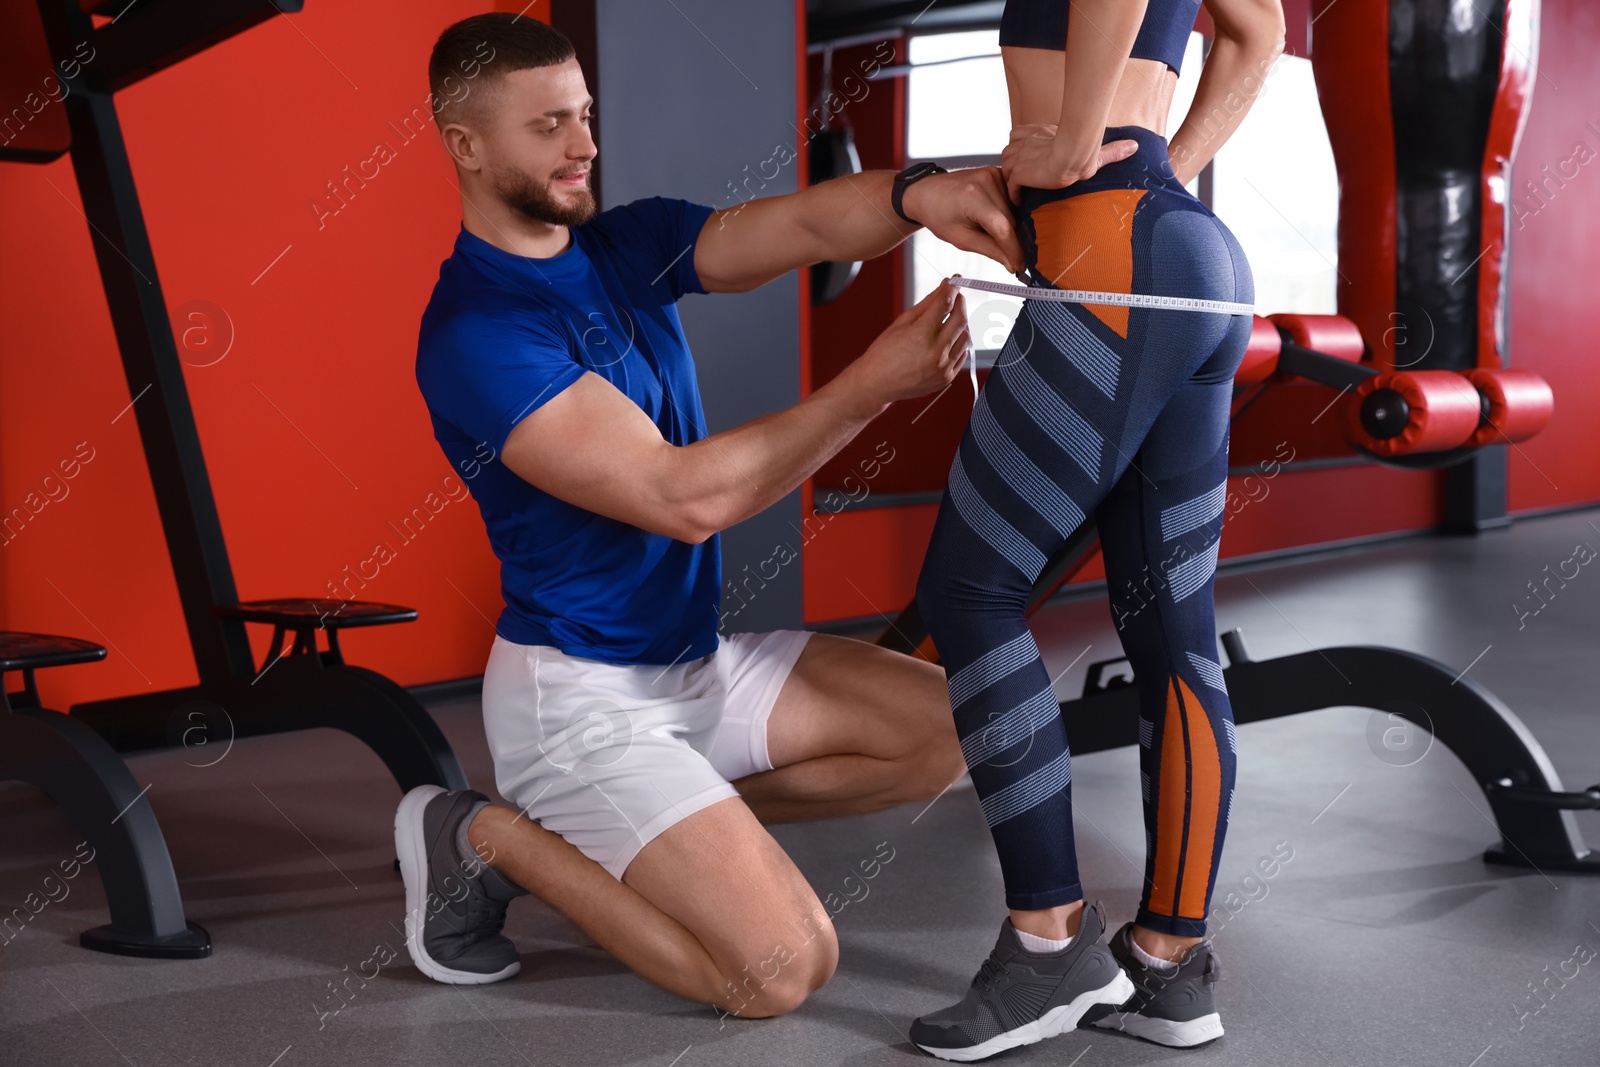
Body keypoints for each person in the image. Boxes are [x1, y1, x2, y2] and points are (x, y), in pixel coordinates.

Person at [396, 12, 1025, 1022]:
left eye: (586, 115)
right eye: (548, 124)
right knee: (776, 972)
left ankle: (648, 831)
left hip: (693, 666)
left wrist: (921, 192)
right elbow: (683, 498)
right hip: (579, 703)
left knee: (953, 730)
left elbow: (811, 226)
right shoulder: (479, 331)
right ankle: (488, 837)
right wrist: (869, 386)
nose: (585, 145)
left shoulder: (626, 244)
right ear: (463, 143)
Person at [908, 0, 1285, 1059]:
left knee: (970, 594)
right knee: (1172, 621)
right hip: (1181, 249)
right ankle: (1169, 962)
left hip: (1111, 254)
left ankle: (1047, 945)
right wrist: (1161, 164)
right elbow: (1256, 29)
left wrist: (1076, 144)